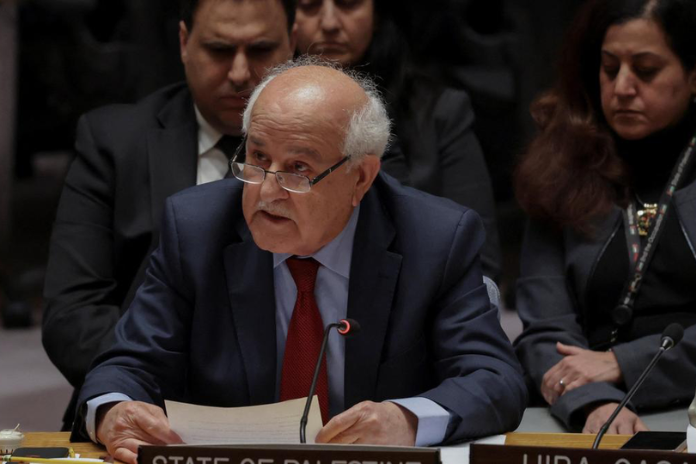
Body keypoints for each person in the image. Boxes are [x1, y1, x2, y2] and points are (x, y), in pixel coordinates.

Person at [75, 60, 527, 463]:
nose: (266, 190)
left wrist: (406, 420)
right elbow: (127, 365)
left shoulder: (435, 239)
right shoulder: (196, 229)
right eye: (258, 157)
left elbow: (494, 379)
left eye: (298, 169)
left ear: (361, 178)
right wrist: (114, 411)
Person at [41, 0, 297, 430]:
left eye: (260, 50)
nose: (239, 73)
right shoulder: (114, 143)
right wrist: (164, 392)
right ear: (183, 42)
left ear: (293, 44)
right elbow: (73, 315)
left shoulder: (342, 151)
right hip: (144, 408)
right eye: (219, 50)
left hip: (301, 407)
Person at [514, 0, 696, 434]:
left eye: (646, 70)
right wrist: (592, 402)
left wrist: (624, 363)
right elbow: (544, 328)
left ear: (693, 75)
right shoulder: (559, 167)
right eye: (609, 68)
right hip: (586, 411)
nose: (622, 87)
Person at [292, 0, 502, 279]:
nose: (329, 23)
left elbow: (480, 264)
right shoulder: (260, 115)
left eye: (348, 3)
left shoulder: (439, 113)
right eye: (309, 5)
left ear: (377, 14)